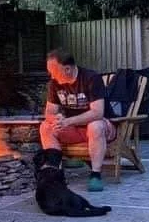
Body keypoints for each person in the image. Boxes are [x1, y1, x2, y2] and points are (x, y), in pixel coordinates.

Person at [40, 47, 116, 192]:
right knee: (46, 127)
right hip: (74, 129)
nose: (52, 76)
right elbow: (49, 112)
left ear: (67, 69)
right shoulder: (54, 84)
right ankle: (55, 171)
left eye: (54, 72)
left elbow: (97, 113)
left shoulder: (91, 78)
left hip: (103, 127)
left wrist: (68, 121)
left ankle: (95, 175)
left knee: (95, 126)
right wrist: (56, 119)